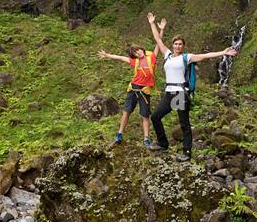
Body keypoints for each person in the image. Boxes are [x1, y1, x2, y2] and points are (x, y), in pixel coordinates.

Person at [146, 12, 238, 158]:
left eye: (180, 44)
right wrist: (152, 23)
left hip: (180, 93)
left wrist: (223, 52)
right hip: (169, 93)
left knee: (184, 123)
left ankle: (187, 152)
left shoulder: (186, 57)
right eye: (175, 44)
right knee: (156, 116)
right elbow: (158, 39)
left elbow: (205, 56)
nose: (177, 46)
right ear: (173, 45)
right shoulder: (167, 55)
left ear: (183, 46)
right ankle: (163, 144)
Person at [97, 38, 159, 147]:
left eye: (138, 50)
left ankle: (146, 138)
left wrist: (161, 30)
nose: (138, 52)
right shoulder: (135, 61)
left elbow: (158, 43)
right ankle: (119, 134)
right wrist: (107, 55)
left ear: (142, 49)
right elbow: (121, 58)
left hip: (144, 91)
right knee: (127, 111)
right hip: (133, 89)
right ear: (134, 55)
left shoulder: (152, 58)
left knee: (145, 115)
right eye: (135, 52)